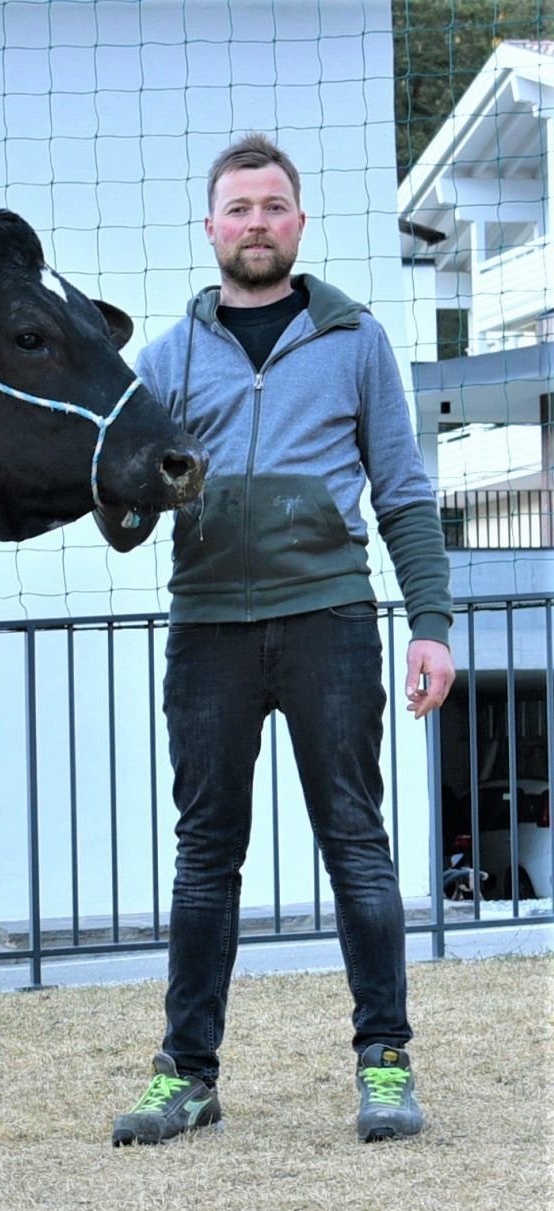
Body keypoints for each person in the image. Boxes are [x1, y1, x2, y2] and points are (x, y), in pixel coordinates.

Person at [95, 133, 455, 1146]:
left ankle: (385, 1061)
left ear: (299, 222)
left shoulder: (356, 341)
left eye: (273, 206)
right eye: (238, 208)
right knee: (206, 855)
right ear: (210, 228)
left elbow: (406, 493)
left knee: (356, 844)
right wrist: (113, 497)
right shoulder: (166, 358)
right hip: (208, 627)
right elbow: (127, 503)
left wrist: (429, 625)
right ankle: (188, 1076)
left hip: (328, 622)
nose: (256, 222)